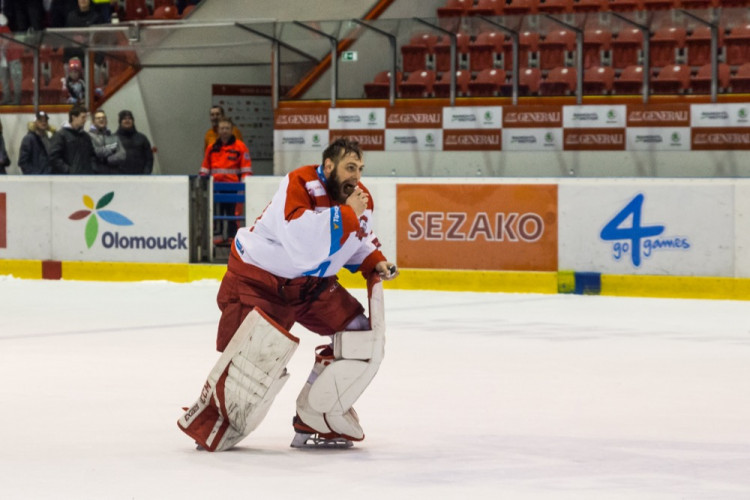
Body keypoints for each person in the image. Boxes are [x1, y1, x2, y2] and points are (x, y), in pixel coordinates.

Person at [177, 137, 399, 452]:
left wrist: (375, 261)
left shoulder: (358, 199)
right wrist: (348, 214)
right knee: (250, 361)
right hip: (260, 281)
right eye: (350, 167)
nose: (356, 176)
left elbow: (360, 238)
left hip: (309, 286)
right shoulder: (299, 184)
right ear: (329, 166)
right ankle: (215, 421)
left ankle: (316, 415)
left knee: (359, 335)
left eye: (360, 169)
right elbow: (303, 247)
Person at [200, 116, 252, 241]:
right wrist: (203, 183)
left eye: (227, 128)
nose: (224, 130)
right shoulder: (212, 148)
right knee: (215, 213)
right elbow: (205, 168)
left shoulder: (240, 147)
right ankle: (217, 239)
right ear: (218, 130)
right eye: (222, 128)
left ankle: (232, 239)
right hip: (215, 187)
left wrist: (243, 187)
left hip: (233, 187)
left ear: (232, 129)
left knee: (233, 215)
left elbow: (246, 169)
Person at [49, 104, 95, 174]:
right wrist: (68, 170)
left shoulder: (85, 136)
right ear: (73, 117)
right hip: (68, 179)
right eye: (83, 117)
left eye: (85, 118)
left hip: (85, 176)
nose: (85, 120)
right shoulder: (61, 135)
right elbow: (54, 157)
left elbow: (91, 155)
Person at [115, 110, 153, 174]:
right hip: (121, 179)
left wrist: (146, 174)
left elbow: (149, 159)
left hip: (141, 178)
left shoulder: (142, 138)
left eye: (129, 118)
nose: (127, 121)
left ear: (133, 121)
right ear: (120, 122)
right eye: (124, 119)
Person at [88, 109, 124, 174]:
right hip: (96, 174)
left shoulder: (114, 137)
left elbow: (122, 154)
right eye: (98, 118)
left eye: (103, 118)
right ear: (93, 121)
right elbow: (96, 152)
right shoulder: (88, 136)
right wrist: (112, 149)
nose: (101, 120)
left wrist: (108, 160)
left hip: (114, 173)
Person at [0, 19, 23, 105]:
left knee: (15, 79)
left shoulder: (5, 30)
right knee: (4, 79)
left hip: (13, 57)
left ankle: (17, 99)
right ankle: (7, 98)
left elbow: (5, 43)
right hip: (3, 58)